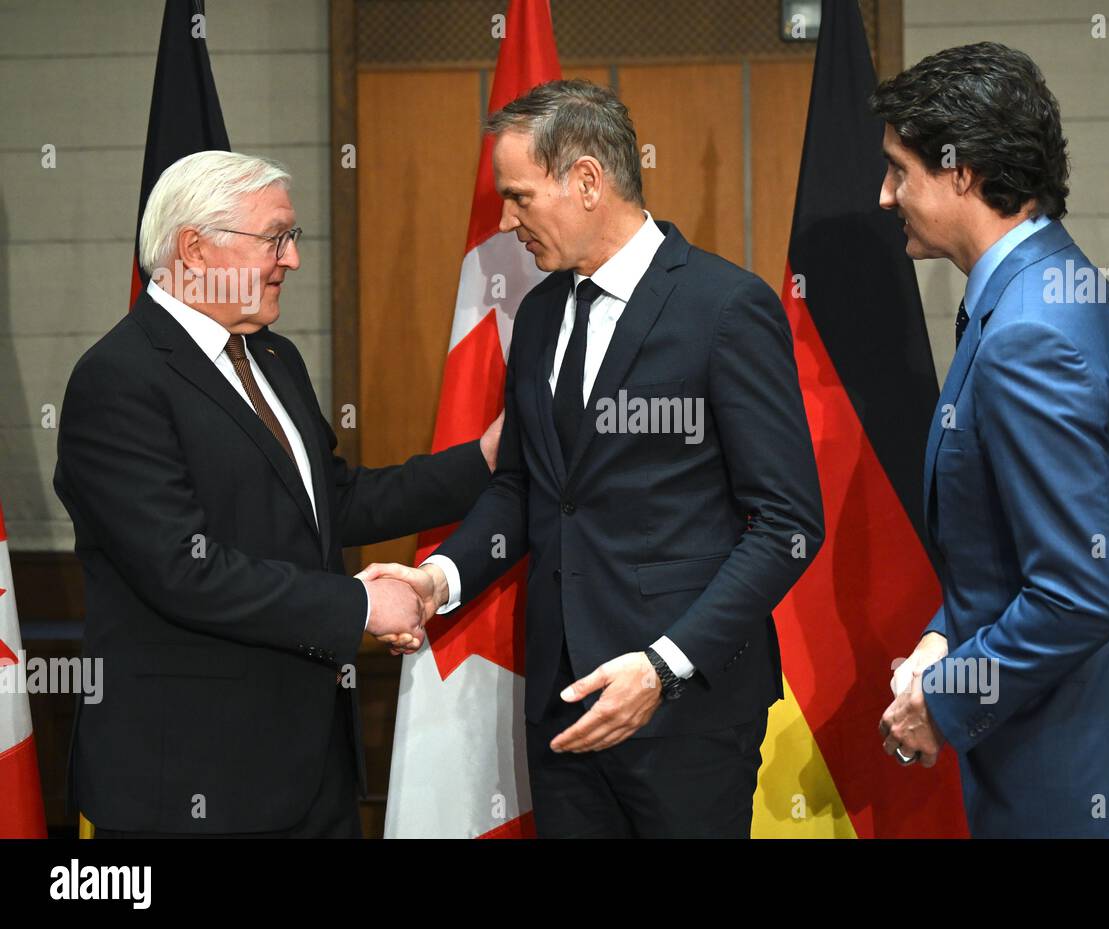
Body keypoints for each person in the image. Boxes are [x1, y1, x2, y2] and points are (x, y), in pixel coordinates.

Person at [363, 80, 824, 838]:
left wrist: (664, 665)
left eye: (519, 197)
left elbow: (787, 523)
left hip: (685, 713)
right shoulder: (540, 313)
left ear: (585, 180)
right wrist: (436, 577)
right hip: (564, 704)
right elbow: (522, 485)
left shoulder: (724, 307)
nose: (507, 221)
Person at [54, 150, 500, 837]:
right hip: (191, 784)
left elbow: (335, 502)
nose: (291, 260)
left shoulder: (273, 356)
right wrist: (358, 602)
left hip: (313, 767)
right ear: (195, 249)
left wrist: (482, 460)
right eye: (276, 238)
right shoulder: (117, 379)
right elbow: (182, 568)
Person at [873, 43, 1109, 838]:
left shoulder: (1030, 330)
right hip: (1082, 752)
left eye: (901, 170)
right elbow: (1010, 541)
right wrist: (943, 634)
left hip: (1083, 775)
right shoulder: (1044, 288)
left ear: (961, 173)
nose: (886, 194)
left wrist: (945, 698)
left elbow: (1076, 592)